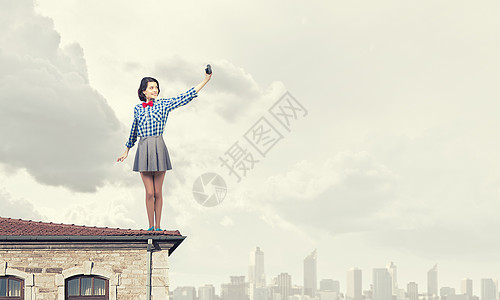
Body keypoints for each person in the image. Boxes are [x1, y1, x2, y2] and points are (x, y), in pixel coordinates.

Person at [117, 68, 212, 231]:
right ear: (143, 91)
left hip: (158, 147)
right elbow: (133, 129)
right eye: (151, 87)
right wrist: (127, 150)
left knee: (158, 192)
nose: (155, 90)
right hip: (143, 147)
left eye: (156, 87)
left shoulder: (164, 104)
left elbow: (185, 96)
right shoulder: (138, 109)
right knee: (149, 193)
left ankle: (159, 227)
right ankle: (150, 226)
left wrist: (206, 80)